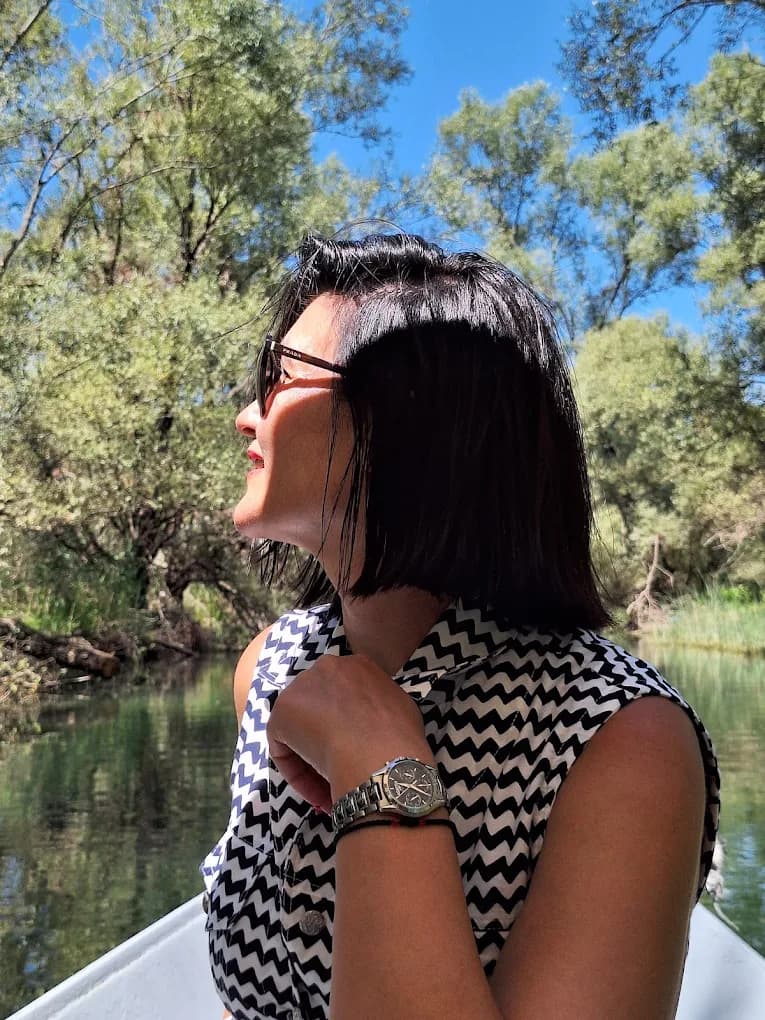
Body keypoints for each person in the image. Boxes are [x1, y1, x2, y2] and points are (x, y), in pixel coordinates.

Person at [200, 232, 720, 1020]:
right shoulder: (268, 668)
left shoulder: (622, 740)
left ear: (407, 418)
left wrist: (383, 771)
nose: (247, 414)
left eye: (281, 377)